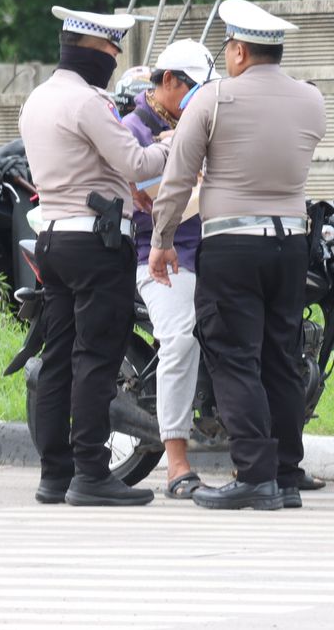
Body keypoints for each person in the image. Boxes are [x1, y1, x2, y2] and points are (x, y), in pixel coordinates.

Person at [149, 0, 326, 511]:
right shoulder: (311, 100)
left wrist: (161, 239)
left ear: (240, 52)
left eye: (228, 47)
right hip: (291, 244)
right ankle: (286, 473)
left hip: (231, 246)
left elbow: (178, 178)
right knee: (280, 358)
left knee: (233, 357)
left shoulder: (213, 99)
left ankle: (254, 475)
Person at [17, 6, 171, 507]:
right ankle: (91, 473)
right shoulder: (88, 102)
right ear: (90, 50)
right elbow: (136, 161)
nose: (115, 59)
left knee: (58, 358)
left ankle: (54, 474)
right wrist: (172, 144)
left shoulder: (37, 99)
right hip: (96, 245)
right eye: (111, 50)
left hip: (54, 239)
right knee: (96, 358)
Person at [123, 39, 214, 499]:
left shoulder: (203, 121)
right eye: (196, 89)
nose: (201, 98)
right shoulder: (133, 130)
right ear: (171, 81)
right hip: (160, 256)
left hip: (212, 251)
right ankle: (176, 463)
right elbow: (143, 195)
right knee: (179, 340)